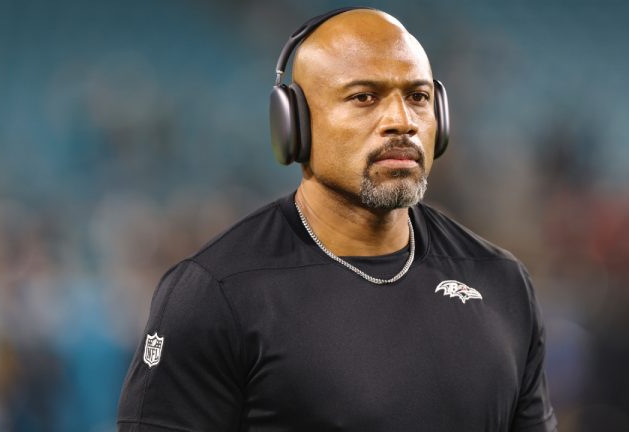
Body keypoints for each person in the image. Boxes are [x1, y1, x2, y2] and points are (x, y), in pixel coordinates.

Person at [117, 7, 557, 432]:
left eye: (418, 97)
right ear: (294, 124)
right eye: (364, 97)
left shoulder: (501, 282)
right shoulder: (216, 293)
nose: (401, 121)